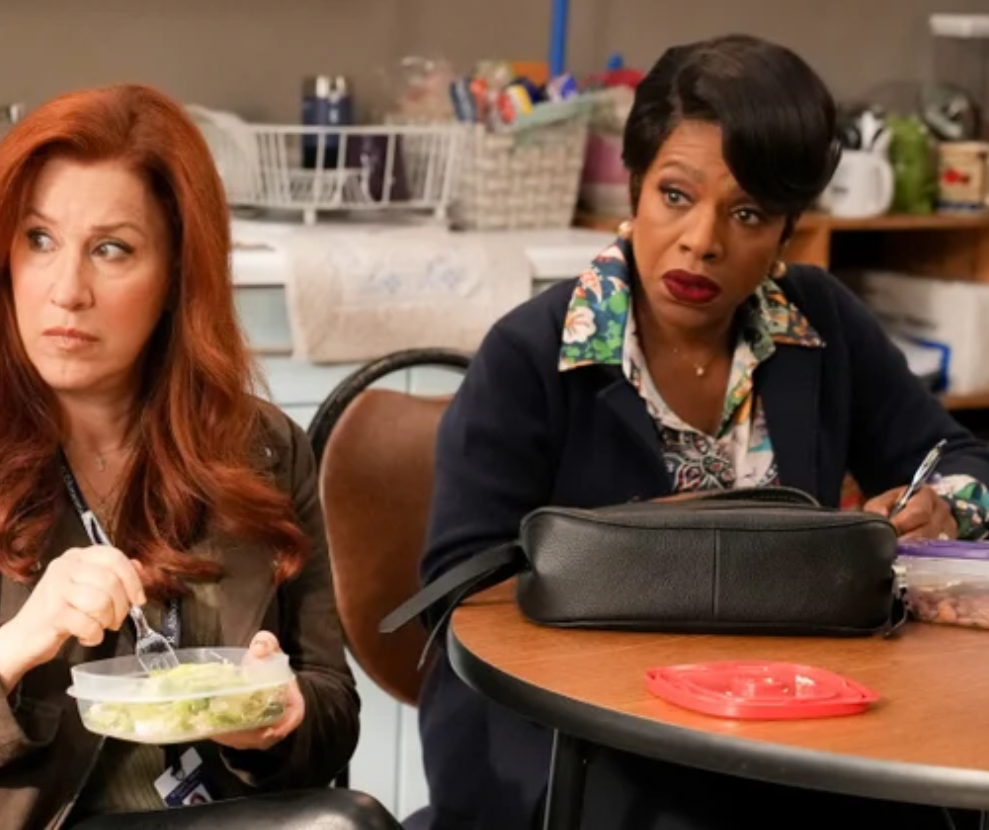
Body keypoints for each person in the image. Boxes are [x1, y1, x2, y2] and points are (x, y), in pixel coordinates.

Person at [418, 34, 989, 830]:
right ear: (637, 188)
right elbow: (458, 591)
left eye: (748, 213)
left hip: (791, 718)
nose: (703, 241)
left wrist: (943, 506)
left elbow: (963, 458)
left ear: (785, 233)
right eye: (676, 196)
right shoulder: (531, 354)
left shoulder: (820, 325)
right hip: (577, 733)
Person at [0, 84, 359, 829]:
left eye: (112, 250)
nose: (66, 291)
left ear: (175, 276)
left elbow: (330, 703)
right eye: (39, 240)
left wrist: (274, 717)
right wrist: (13, 647)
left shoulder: (259, 449)